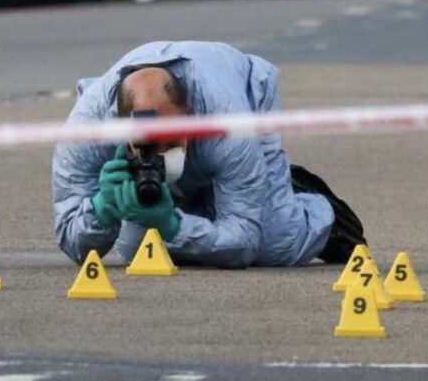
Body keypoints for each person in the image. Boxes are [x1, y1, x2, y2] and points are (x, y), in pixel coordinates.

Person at [51, 41, 366, 268]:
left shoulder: (228, 123)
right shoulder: (87, 129)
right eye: (147, 145)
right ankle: (224, 195)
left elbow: (244, 240)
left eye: (170, 140)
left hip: (245, 99)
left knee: (275, 244)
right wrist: (101, 210)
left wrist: (173, 226)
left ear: (190, 115)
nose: (160, 156)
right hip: (203, 145)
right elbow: (73, 244)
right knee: (138, 249)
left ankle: (309, 202)